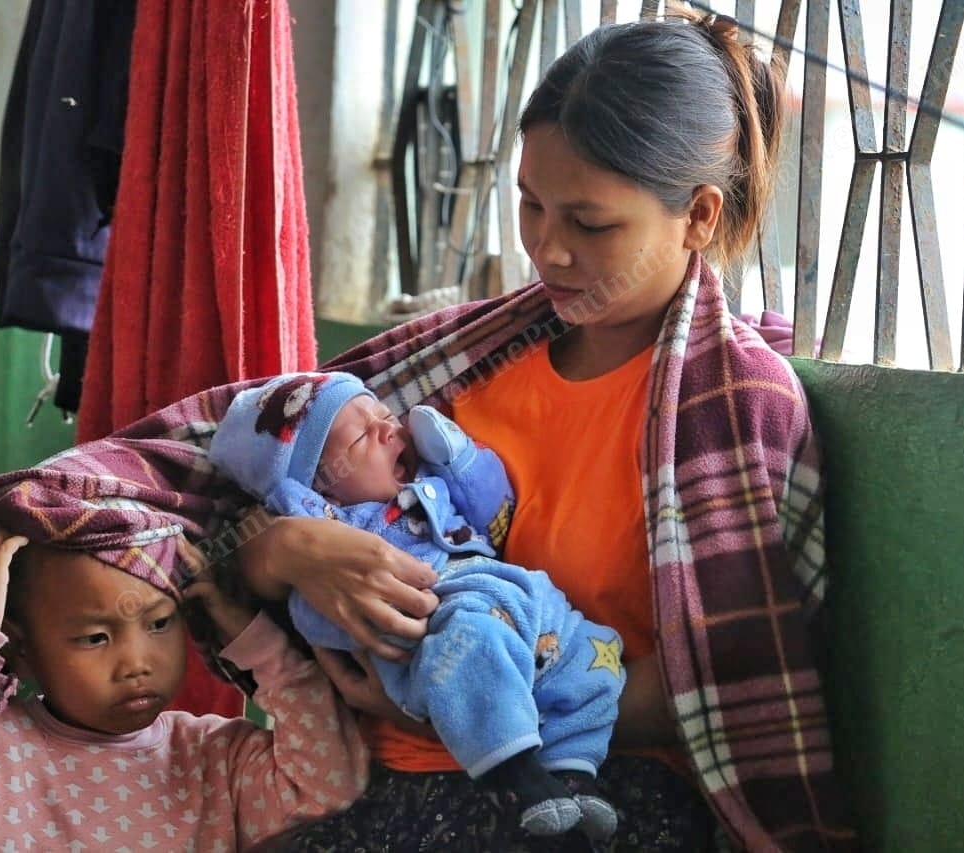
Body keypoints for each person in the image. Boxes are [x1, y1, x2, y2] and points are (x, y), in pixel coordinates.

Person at [211, 10, 856, 852]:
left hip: (600, 791)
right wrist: (287, 553)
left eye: (589, 224)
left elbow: (721, 688)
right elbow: (224, 506)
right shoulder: (464, 370)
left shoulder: (733, 412)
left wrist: (449, 698)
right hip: (368, 777)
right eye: (528, 205)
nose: (547, 250)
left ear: (698, 216)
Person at [0, 455, 370, 852]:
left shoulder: (214, 759)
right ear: (21, 649)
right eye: (95, 637)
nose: (136, 662)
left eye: (159, 623)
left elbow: (328, 788)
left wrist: (253, 638)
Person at [207, 370, 626, 839]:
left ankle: (571, 774)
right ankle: (513, 778)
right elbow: (321, 618)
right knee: (474, 641)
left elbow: (493, 512)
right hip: (442, 634)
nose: (391, 429)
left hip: (518, 602)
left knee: (594, 649)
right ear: (316, 487)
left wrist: (458, 456)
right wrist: (289, 540)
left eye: (386, 415)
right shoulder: (335, 539)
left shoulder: (429, 487)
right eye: (364, 435)